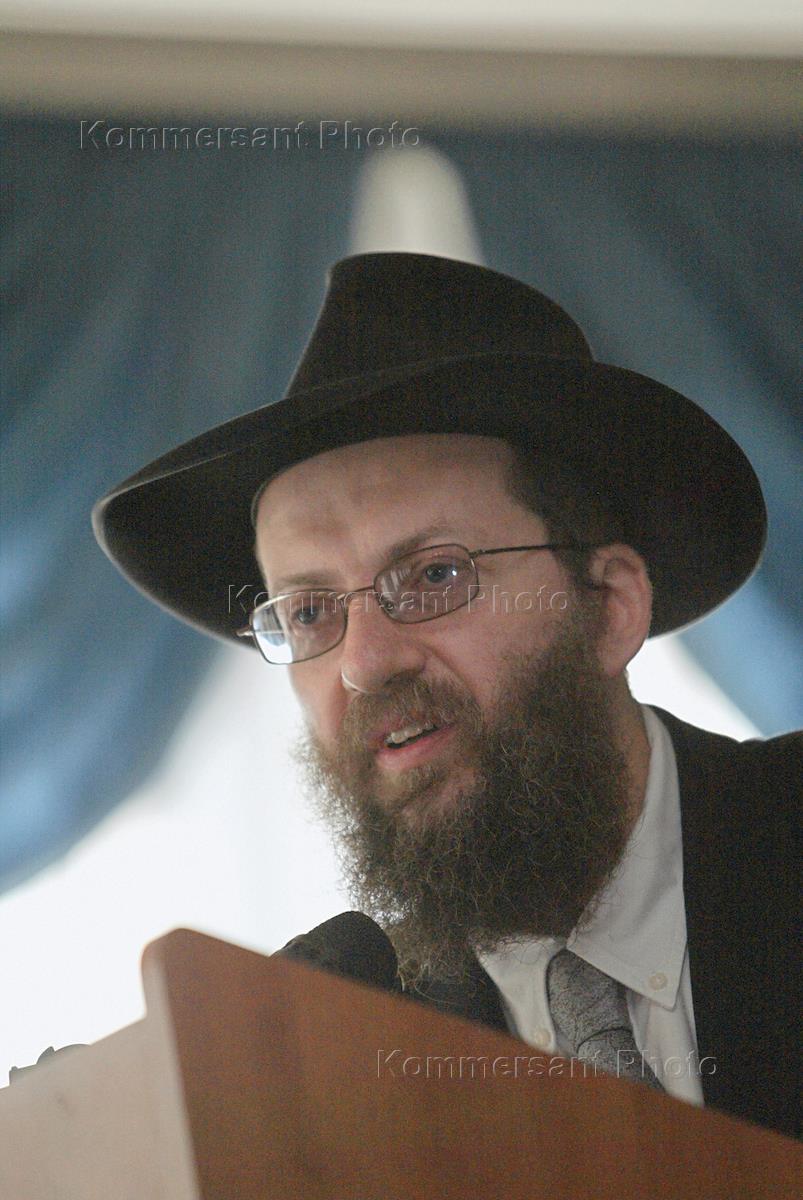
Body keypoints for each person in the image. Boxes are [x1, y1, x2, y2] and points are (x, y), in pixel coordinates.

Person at [93, 252, 799, 1139]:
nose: (364, 663)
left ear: (609, 606)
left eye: (433, 575)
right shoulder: (342, 1041)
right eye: (309, 612)